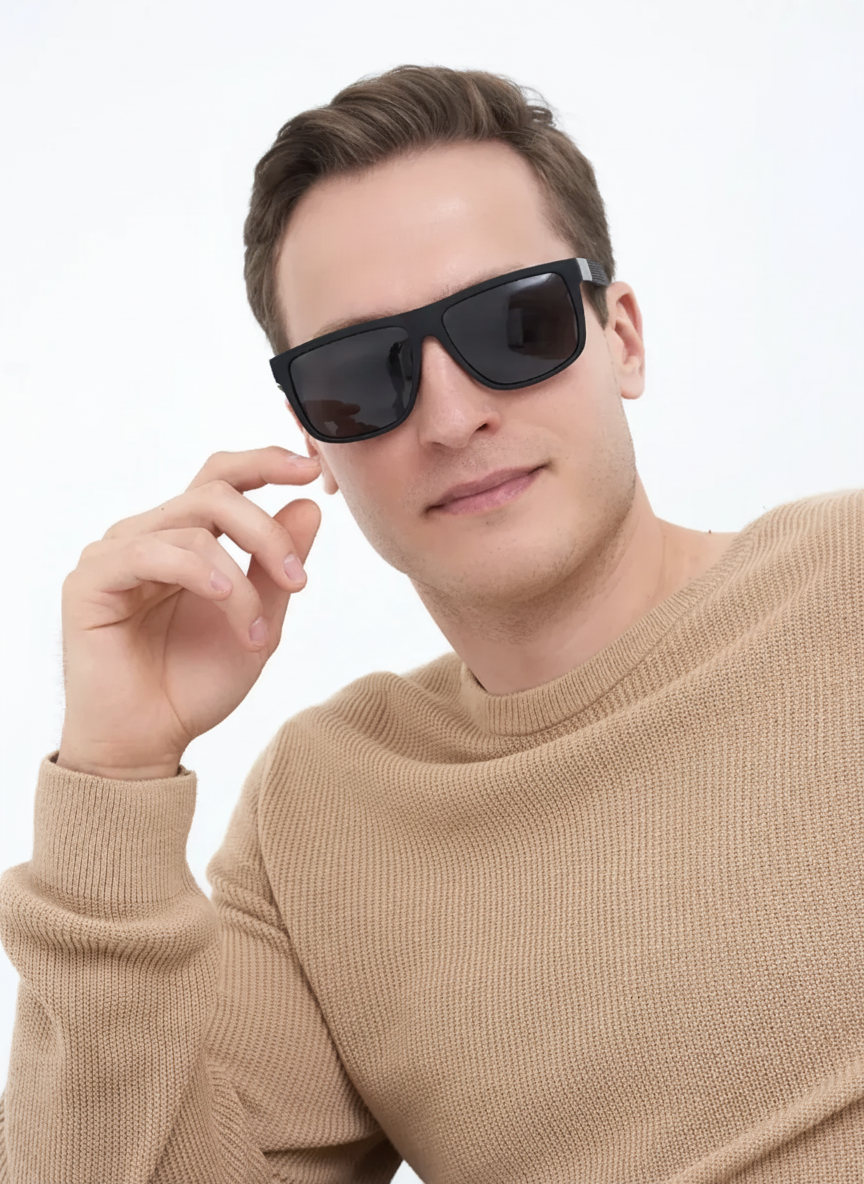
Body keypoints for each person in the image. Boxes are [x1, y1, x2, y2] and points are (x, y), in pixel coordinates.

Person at [0, 63, 862, 1184]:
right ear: (316, 432)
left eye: (519, 321)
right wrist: (113, 775)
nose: (453, 416)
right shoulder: (324, 813)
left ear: (625, 338)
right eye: (367, 373)